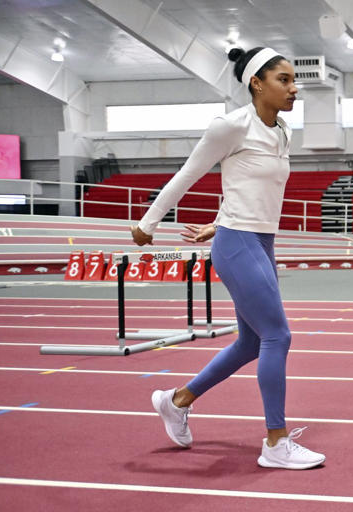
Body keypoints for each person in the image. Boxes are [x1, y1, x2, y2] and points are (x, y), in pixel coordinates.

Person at [130, 46, 325, 470]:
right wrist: (148, 222)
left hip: (257, 239)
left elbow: (251, 191)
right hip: (239, 245)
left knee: (252, 342)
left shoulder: (283, 130)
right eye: (284, 80)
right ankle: (275, 442)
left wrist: (219, 221)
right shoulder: (231, 126)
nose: (295, 88)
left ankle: (176, 401)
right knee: (278, 336)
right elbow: (188, 173)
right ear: (257, 83)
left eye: (294, 80)